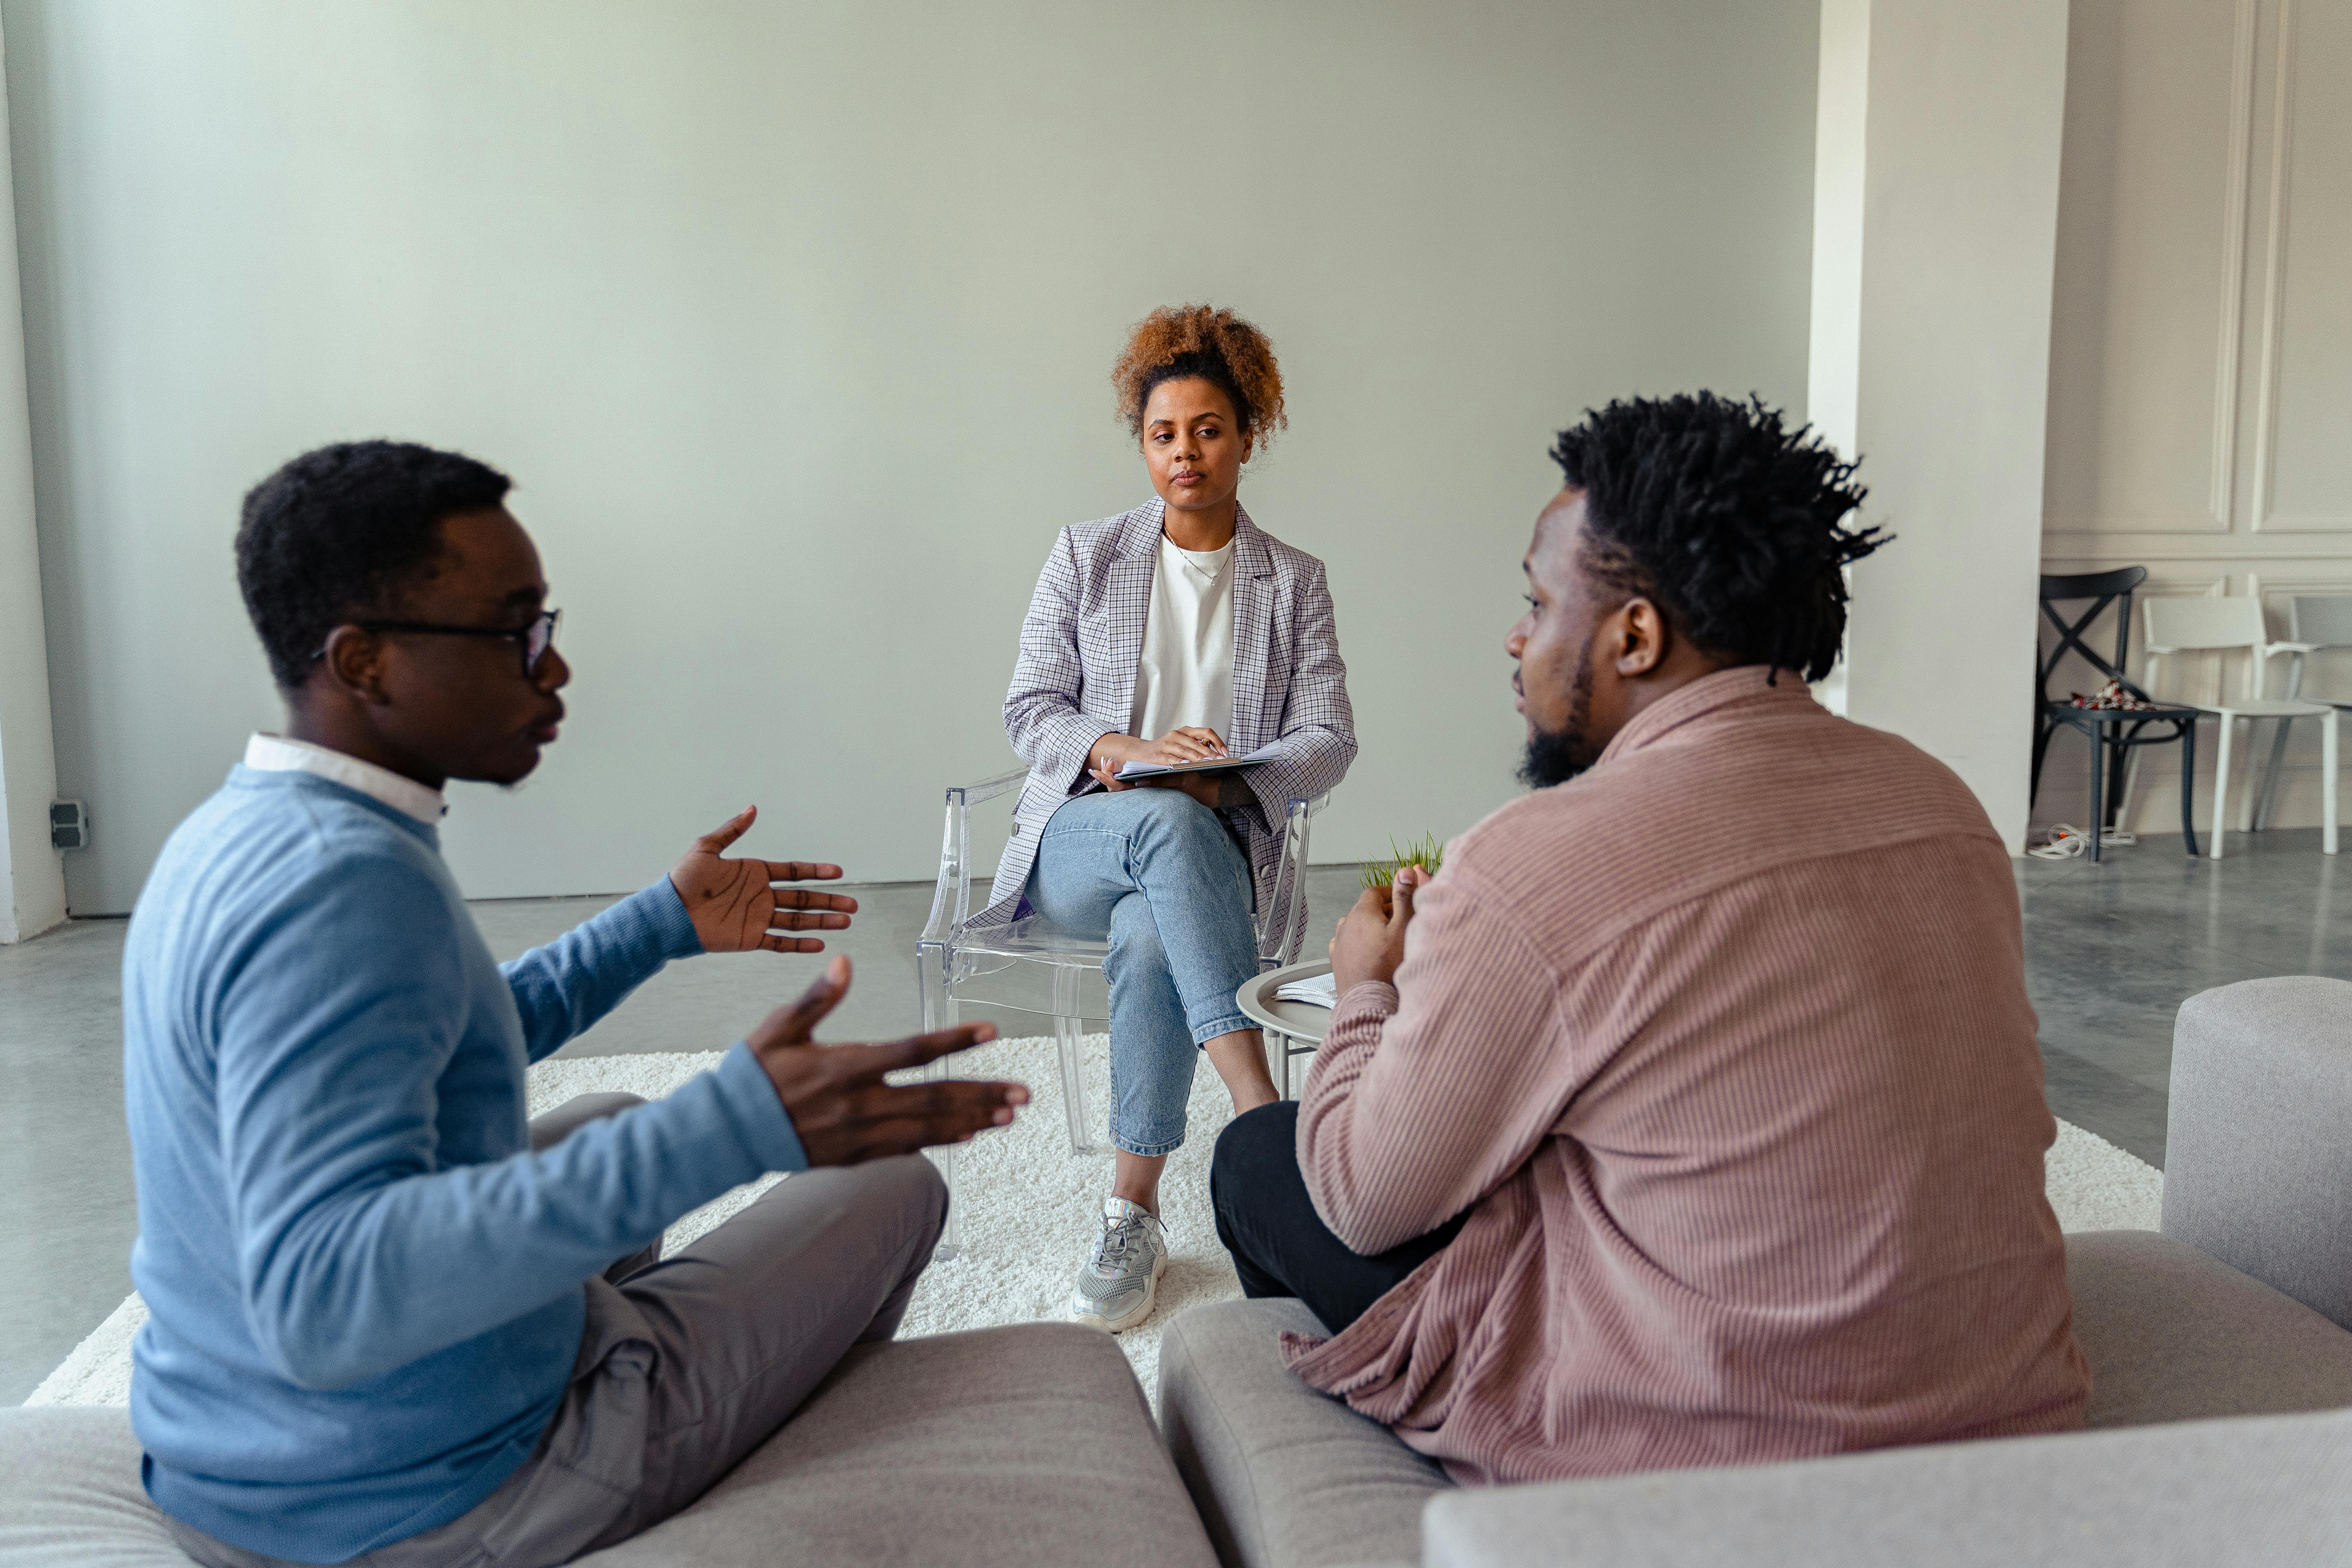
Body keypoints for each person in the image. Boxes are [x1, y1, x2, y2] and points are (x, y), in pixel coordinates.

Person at [125, 441, 1028, 1568]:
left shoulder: (245, 828)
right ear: (363, 661)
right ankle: (706, 1471)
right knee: (895, 1184)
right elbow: (323, 1297)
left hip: (232, 1454)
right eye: (514, 632)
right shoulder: (344, 884)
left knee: (604, 1118)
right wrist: (729, 1125)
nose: (552, 668)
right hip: (422, 1502)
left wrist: (655, 925)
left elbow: (433, 1044)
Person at [1210, 393, 2090, 1483]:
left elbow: (1364, 1199)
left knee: (1263, 1154)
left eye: (1538, 603)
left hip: (1710, 1462)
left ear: (1633, 634)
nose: (1517, 638)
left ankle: (1373, 1482)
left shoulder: (1530, 861)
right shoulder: (1942, 804)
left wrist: (1365, 992)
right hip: (2008, 1420)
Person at [990, 305, 1355, 1333]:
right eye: (1163, 434)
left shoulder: (1295, 581)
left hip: (1211, 852)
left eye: (1206, 430)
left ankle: (1130, 1213)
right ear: (1142, 445)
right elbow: (1031, 709)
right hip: (1083, 836)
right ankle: (1262, 1119)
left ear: (1247, 436)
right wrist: (1131, 753)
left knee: (1156, 923)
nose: (1184, 452)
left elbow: (1328, 736)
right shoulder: (1086, 555)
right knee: (1159, 824)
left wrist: (1217, 786)